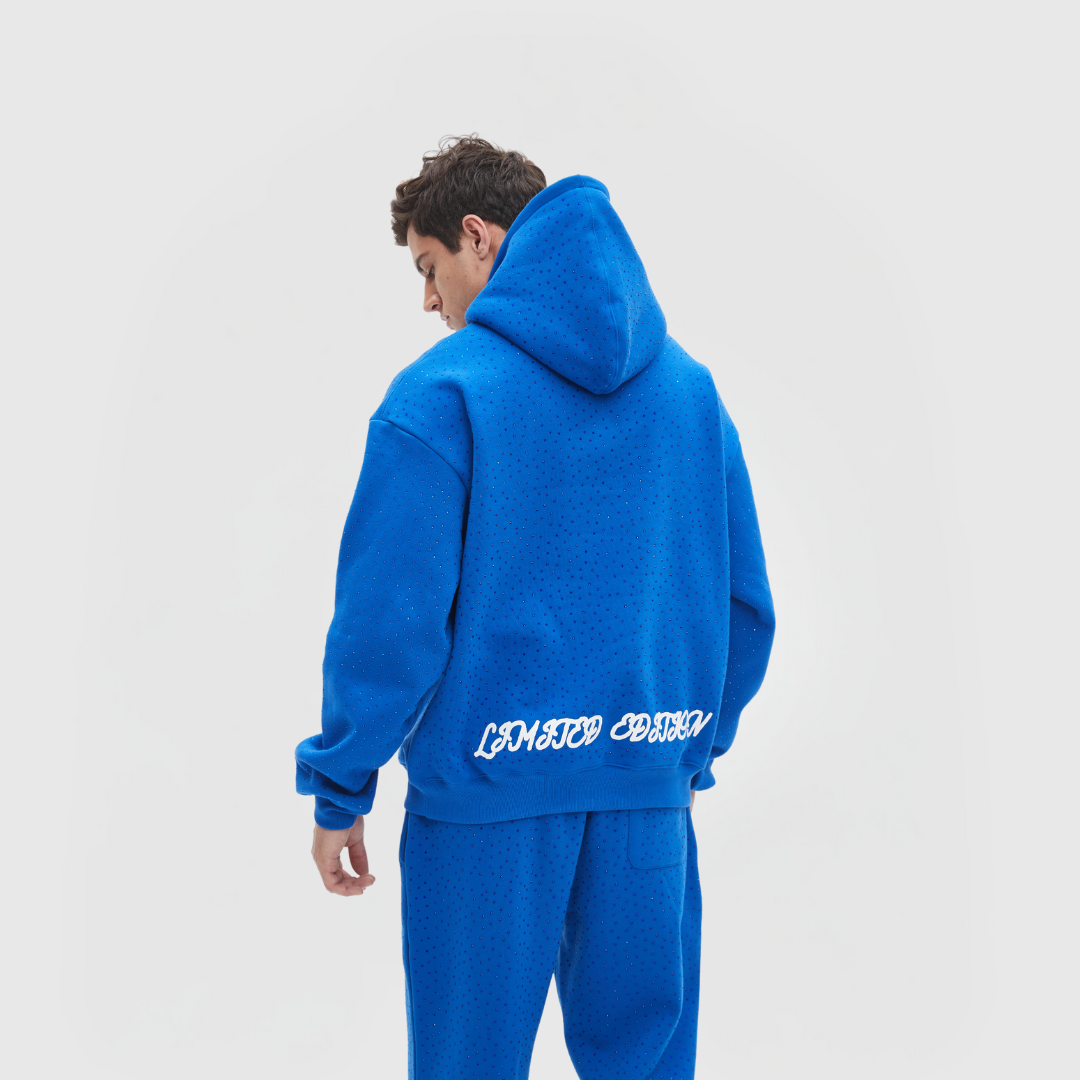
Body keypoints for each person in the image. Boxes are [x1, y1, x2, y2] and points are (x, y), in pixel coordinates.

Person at [294, 135, 775, 1079]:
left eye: (428, 267)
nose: (428, 300)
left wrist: (342, 783)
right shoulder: (690, 394)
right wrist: (683, 750)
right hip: (646, 800)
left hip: (486, 810)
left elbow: (389, 625)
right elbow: (745, 605)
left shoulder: (441, 394)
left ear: (478, 238)